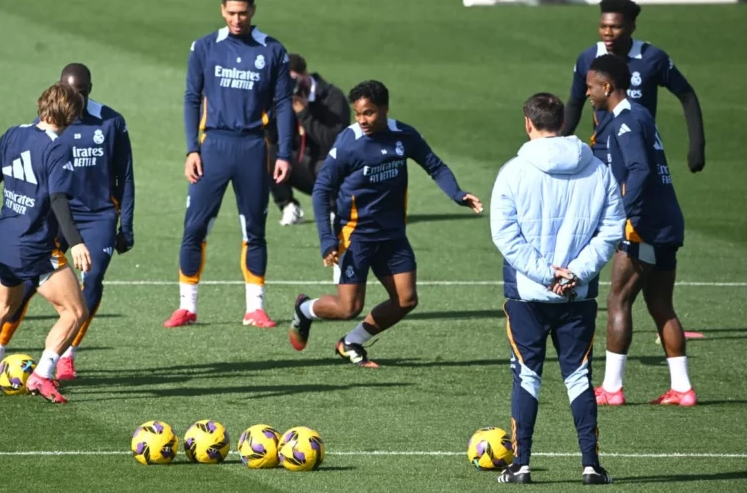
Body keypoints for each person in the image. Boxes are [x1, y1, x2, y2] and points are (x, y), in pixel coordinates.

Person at [289, 80, 483, 367]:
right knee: (348, 307)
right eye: (358, 114)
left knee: (406, 300)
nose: (362, 120)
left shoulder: (403, 135)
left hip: (392, 234)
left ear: (384, 109)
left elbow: (435, 165)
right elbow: (321, 190)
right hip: (355, 235)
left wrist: (457, 194)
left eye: (368, 113)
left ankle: (351, 342)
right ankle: (304, 310)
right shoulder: (348, 142)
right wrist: (327, 239)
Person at [489, 92, 623, 485]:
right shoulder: (597, 170)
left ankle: (522, 465)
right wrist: (576, 273)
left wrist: (545, 274)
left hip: (527, 295)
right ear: (563, 124)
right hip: (577, 295)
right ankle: (591, 466)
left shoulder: (513, 172)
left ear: (528, 123)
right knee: (579, 377)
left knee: (527, 375)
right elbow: (612, 229)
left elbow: (506, 235)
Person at [0, 63, 134, 382]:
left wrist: (126, 224)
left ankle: (66, 354)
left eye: (83, 92)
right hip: (53, 216)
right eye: (71, 91)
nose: (77, 98)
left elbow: (126, 175)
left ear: (90, 89)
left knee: (89, 281)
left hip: (96, 216)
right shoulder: (46, 126)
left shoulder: (110, 121)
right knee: (26, 284)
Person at [167, 0, 294, 329]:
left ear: (253, 10)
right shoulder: (205, 47)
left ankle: (255, 309)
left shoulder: (272, 50)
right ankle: (187, 307)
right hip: (213, 149)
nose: (237, 19)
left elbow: (283, 105)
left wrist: (284, 153)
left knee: (254, 228)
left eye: (243, 13)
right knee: (194, 227)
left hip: (254, 148)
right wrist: (192, 148)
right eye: (231, 13)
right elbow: (192, 98)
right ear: (222, 10)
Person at [0, 82, 91, 403]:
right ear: (71, 116)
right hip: (34, 246)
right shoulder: (57, 149)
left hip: (5, 241)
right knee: (74, 311)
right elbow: (58, 198)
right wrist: (76, 242)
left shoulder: (13, 133)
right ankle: (43, 375)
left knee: (3, 306)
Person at [585, 55, 696, 407]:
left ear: (606, 86)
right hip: (667, 220)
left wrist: (620, 214)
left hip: (642, 226)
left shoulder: (625, 123)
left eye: (590, 87)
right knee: (661, 303)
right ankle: (682, 389)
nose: (587, 93)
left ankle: (612, 388)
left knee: (618, 299)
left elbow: (640, 169)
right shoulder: (641, 114)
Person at [562, 0, 704, 174]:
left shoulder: (652, 58)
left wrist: (697, 146)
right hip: (602, 152)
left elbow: (687, 96)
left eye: (615, 27)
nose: (607, 32)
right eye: (603, 26)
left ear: (632, 26)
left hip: (642, 150)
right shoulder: (588, 58)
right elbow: (575, 103)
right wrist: (556, 143)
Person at [269, 53, 350, 227]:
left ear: (305, 74)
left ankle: (334, 208)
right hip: (304, 167)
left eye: (294, 80)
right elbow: (274, 138)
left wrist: (304, 113)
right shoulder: (283, 99)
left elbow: (335, 142)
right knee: (265, 152)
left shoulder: (332, 97)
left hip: (331, 169)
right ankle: (288, 206)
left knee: (330, 163)